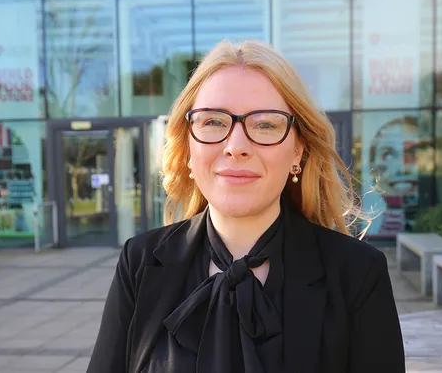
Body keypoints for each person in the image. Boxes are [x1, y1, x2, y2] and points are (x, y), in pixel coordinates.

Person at [87, 39, 406, 373]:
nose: (235, 146)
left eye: (265, 124)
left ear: (297, 151)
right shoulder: (139, 262)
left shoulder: (357, 273)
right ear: (187, 150)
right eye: (212, 122)